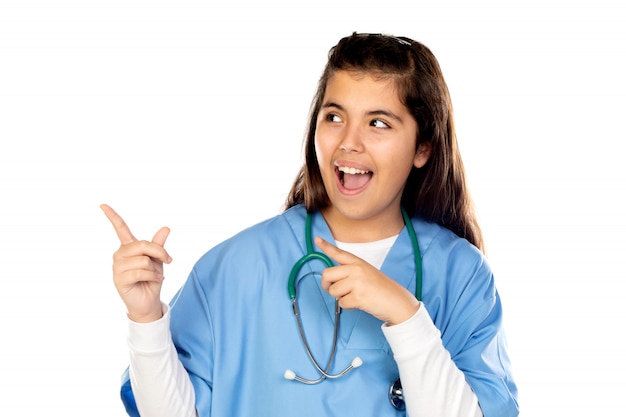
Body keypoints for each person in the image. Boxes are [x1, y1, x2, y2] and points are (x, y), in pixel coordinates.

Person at [102, 32, 519, 417]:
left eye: (378, 123)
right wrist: (146, 318)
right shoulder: (238, 266)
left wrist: (405, 315)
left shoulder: (460, 274)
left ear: (422, 148)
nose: (348, 142)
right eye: (334, 117)